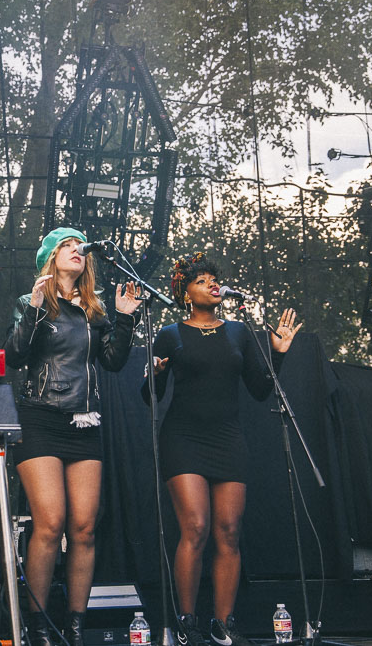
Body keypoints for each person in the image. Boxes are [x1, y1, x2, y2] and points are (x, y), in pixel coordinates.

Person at [141, 253, 301, 646]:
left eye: (215, 278)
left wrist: (278, 354)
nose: (213, 284)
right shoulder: (170, 334)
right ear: (186, 294)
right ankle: (187, 622)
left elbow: (261, 390)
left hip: (227, 439)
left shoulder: (238, 333)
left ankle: (223, 624)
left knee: (229, 531)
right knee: (195, 527)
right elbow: (151, 396)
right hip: (183, 438)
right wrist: (154, 375)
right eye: (202, 281)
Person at [4, 227, 143, 646]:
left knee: (84, 527)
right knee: (49, 523)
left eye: (79, 246)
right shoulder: (32, 304)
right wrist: (31, 309)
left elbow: (115, 363)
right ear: (50, 257)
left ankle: (77, 624)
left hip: (85, 422)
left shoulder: (94, 311)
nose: (76, 250)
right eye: (66, 245)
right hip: (40, 418)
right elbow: (13, 356)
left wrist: (124, 317)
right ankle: (38, 622)